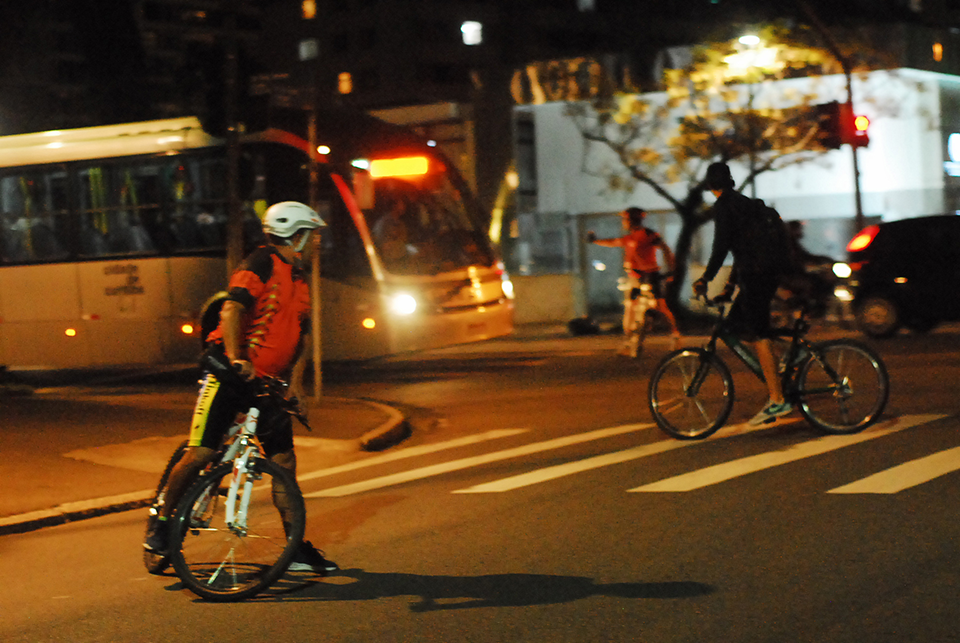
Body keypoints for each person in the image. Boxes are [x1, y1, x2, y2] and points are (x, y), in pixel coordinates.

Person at [143, 201, 337, 575]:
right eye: (313, 237)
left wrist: (295, 385)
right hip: (230, 374)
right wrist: (237, 358)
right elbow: (232, 310)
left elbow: (302, 336)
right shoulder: (260, 263)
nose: (317, 245)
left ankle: (294, 547)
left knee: (284, 464)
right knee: (200, 453)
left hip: (269, 385)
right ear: (296, 236)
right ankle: (163, 525)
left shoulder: (299, 279)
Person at [692, 162, 794, 426]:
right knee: (739, 323)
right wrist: (729, 286)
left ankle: (777, 399)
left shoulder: (724, 207)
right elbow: (744, 247)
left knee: (758, 332)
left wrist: (706, 278)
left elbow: (722, 247)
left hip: (757, 275)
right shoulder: (748, 204)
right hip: (767, 272)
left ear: (710, 186)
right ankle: (782, 363)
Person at [588, 207, 681, 354]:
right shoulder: (629, 237)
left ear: (632, 219)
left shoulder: (648, 234)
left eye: (625, 219)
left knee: (660, 307)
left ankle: (675, 335)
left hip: (651, 277)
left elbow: (665, 249)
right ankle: (629, 342)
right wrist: (596, 241)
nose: (623, 222)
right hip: (635, 279)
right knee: (630, 309)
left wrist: (671, 270)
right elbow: (613, 242)